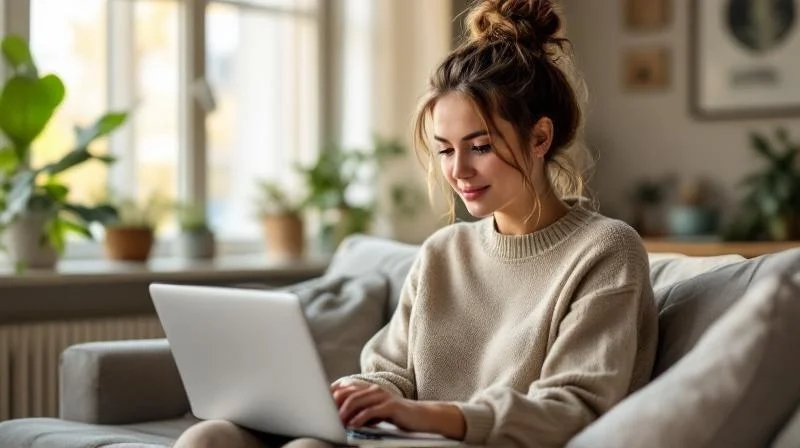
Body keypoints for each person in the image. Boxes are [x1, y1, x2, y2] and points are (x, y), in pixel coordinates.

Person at [174, 0, 657, 447]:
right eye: (445, 150)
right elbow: (390, 371)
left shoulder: (606, 250)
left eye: (480, 146)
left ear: (539, 138)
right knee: (209, 437)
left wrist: (424, 415)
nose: (458, 171)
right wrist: (356, 394)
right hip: (401, 439)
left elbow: (574, 408)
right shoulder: (443, 252)